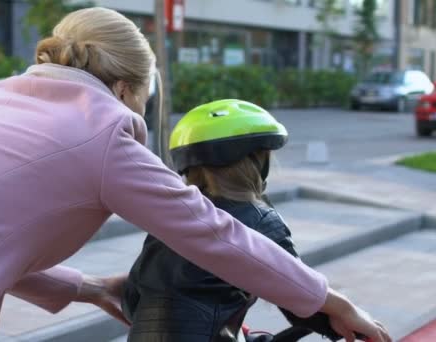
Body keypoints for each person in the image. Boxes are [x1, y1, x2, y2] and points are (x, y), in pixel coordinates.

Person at [0, 7, 389, 342]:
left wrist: (92, 288)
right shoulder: (101, 129)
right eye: (143, 100)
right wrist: (332, 301)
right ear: (126, 90)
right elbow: (212, 232)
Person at [122, 99, 373, 342]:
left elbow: (132, 299)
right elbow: (299, 299)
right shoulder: (260, 220)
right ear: (254, 162)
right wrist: (352, 324)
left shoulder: (172, 218)